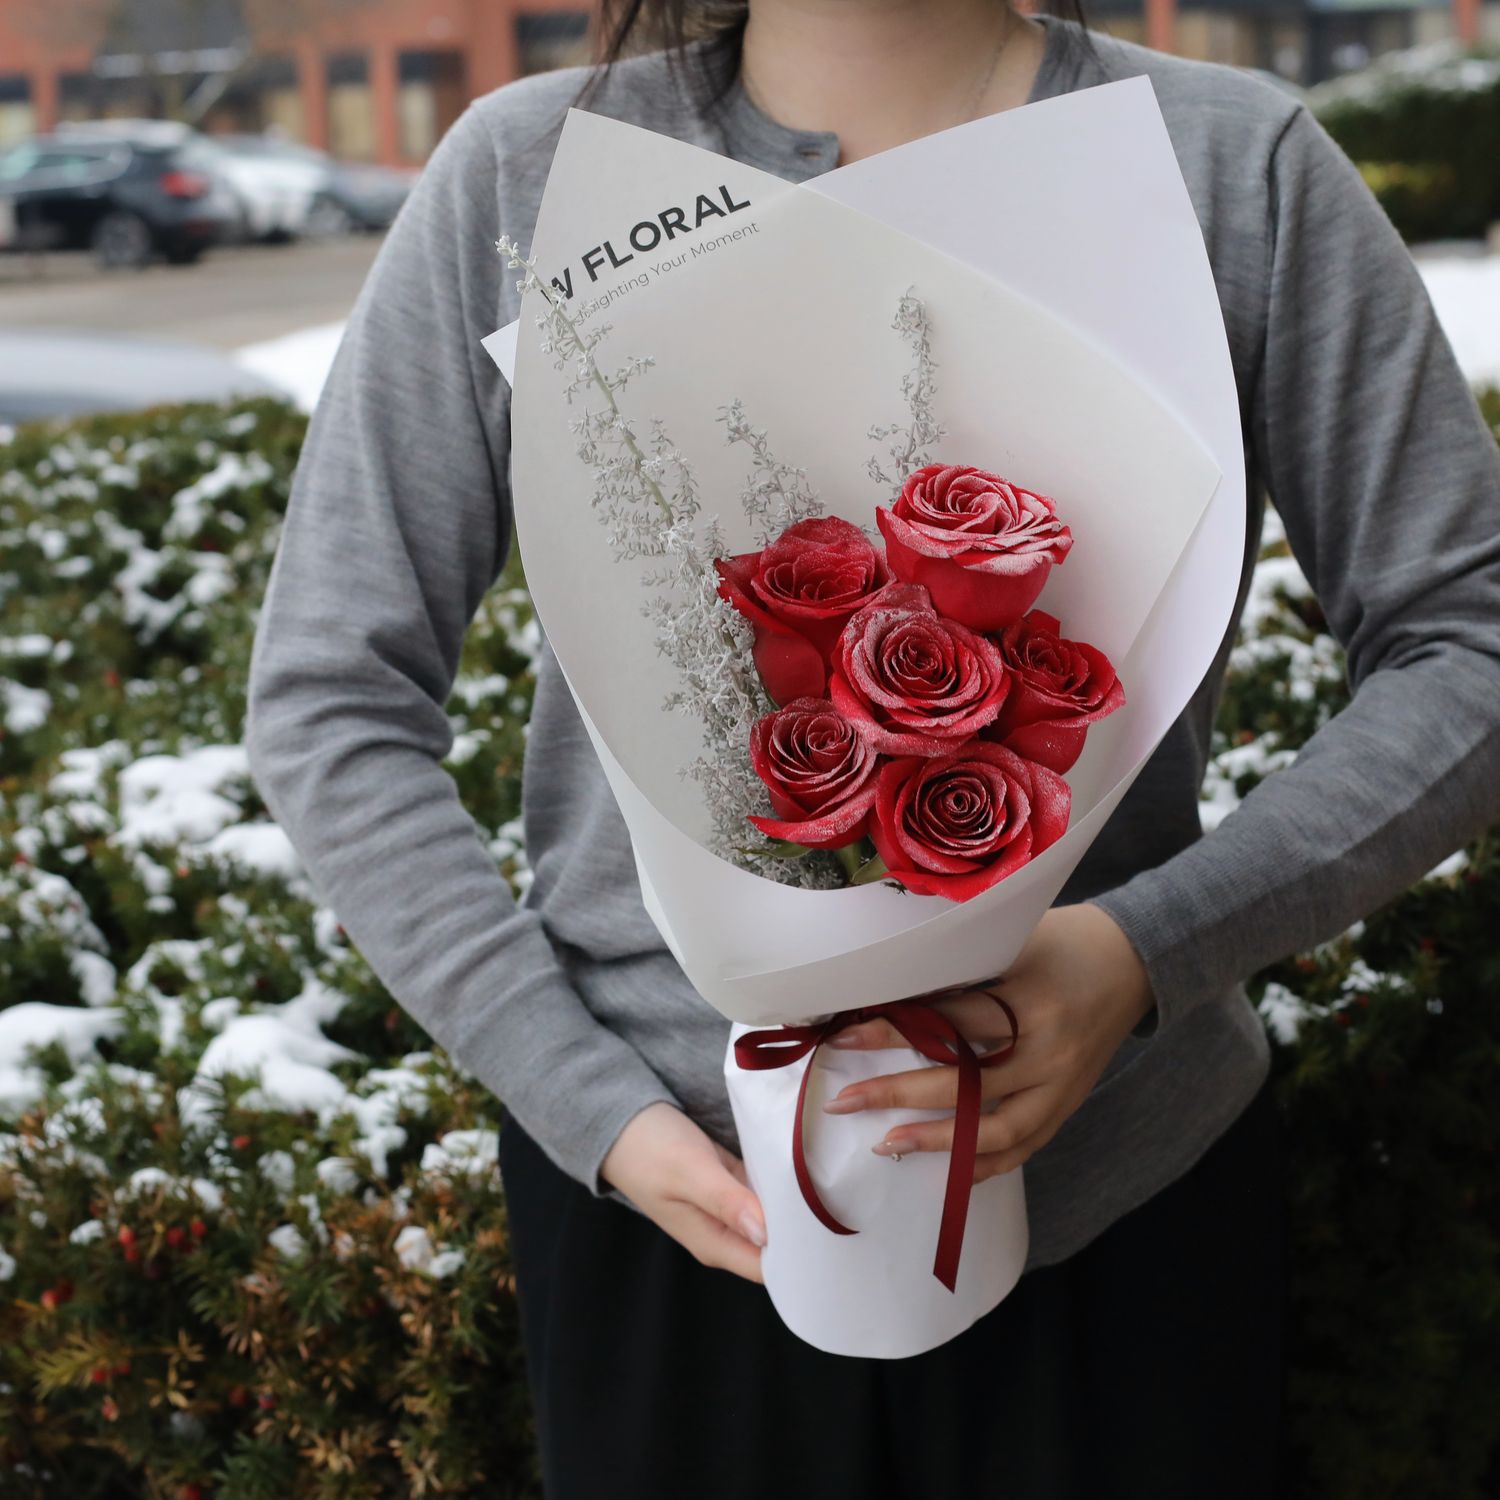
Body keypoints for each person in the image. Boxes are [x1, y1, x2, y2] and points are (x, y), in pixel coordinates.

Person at [243, 1, 1500, 1495]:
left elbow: (1465, 644)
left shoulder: (1236, 168)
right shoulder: (535, 171)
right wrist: (590, 1103)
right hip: (668, 1202)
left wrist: (1141, 953)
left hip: (1125, 1183)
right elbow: (329, 694)